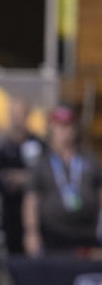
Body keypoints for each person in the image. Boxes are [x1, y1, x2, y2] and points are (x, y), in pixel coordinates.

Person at [23, 106, 102, 256]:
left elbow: (99, 191)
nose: (64, 132)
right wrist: (31, 232)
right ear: (51, 129)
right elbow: (31, 199)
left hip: (86, 232)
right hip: (53, 234)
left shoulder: (89, 159)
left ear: (75, 129)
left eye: (67, 126)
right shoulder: (42, 162)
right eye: (59, 127)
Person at [0, 99, 43, 254]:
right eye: (14, 114)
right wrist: (8, 178)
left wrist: (25, 178)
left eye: (21, 114)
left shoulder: (39, 144)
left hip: (36, 212)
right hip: (10, 211)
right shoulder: (2, 147)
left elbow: (45, 174)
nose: (18, 119)